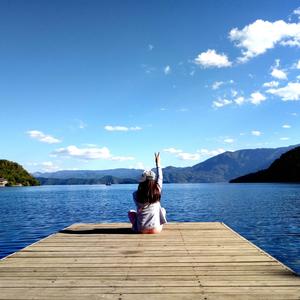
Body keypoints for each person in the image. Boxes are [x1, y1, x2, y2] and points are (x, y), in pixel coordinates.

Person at [128, 152, 167, 234]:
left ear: (141, 181)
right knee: (162, 210)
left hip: (141, 229)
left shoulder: (136, 194)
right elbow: (160, 177)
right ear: (153, 180)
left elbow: (139, 211)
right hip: (156, 230)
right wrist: (158, 164)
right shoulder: (157, 190)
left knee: (131, 212)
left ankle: (135, 226)